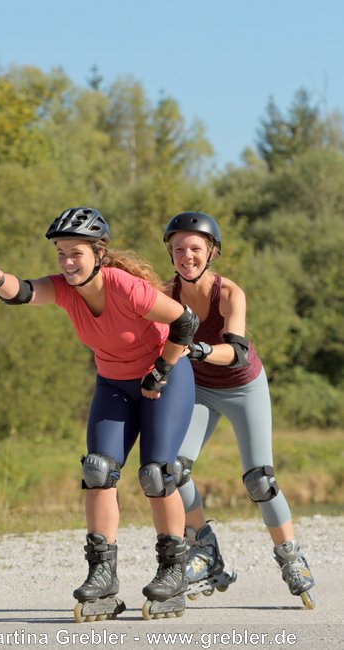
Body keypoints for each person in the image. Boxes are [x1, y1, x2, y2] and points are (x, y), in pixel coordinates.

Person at [0, 207, 199, 621]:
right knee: (98, 470)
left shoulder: (123, 286)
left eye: (75, 253)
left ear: (99, 251)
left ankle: (172, 573)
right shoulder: (65, 289)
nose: (66, 262)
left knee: (158, 473)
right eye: (61, 253)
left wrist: (161, 371)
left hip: (165, 380)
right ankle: (103, 578)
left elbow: (185, 322)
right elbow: (23, 291)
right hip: (113, 384)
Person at [162, 210, 315, 609]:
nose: (186, 255)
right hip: (197, 388)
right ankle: (205, 549)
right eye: (179, 249)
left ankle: (291, 557)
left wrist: (198, 349)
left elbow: (236, 352)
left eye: (195, 248)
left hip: (243, 385)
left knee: (259, 481)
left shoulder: (229, 293)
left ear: (211, 252)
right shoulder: (165, 294)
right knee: (173, 469)